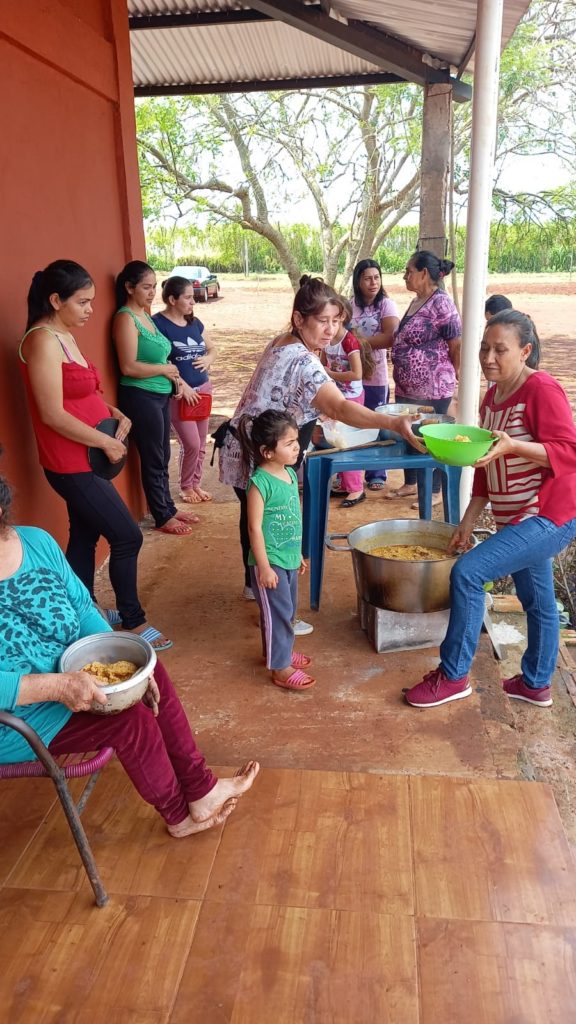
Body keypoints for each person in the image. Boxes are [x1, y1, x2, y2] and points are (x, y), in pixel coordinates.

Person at [0, 471, 260, 837]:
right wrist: (56, 687)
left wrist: (122, 664)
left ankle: (201, 789)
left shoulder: (35, 543)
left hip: (72, 681)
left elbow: (83, 608)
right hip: (18, 720)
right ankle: (178, 817)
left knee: (151, 670)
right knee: (130, 722)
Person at [218, 275, 424, 623]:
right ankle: (276, 610)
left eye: (337, 321)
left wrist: (308, 425)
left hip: (248, 447)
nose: (331, 330)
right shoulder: (305, 360)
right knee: (277, 530)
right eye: (322, 321)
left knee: (254, 520)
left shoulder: (283, 341)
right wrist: (391, 422)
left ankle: (256, 587)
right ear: (299, 319)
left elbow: (287, 397)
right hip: (262, 456)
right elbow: (341, 408)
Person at [404, 310, 576, 709]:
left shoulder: (541, 389)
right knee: (538, 602)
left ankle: (453, 675)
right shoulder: (491, 396)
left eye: (501, 349)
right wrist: (465, 522)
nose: (488, 358)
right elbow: (486, 464)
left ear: (526, 351)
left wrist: (515, 446)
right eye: (484, 348)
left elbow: (568, 451)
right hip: (514, 517)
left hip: (547, 516)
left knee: (468, 573)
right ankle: (535, 683)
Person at [19, 260, 170, 652]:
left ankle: (82, 613)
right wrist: (104, 441)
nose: (90, 310)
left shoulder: (63, 333)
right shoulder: (41, 340)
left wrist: (113, 413)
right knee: (127, 536)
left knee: (84, 538)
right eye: (83, 302)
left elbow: (83, 393)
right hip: (71, 462)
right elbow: (52, 412)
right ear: (56, 300)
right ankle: (132, 621)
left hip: (89, 455)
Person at [113, 261, 199, 536]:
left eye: (153, 287)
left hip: (160, 394)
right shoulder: (125, 317)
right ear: (129, 287)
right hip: (140, 395)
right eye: (146, 287)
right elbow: (128, 366)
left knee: (163, 455)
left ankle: (168, 507)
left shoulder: (146, 316)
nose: (152, 293)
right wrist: (164, 369)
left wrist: (172, 378)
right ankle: (161, 514)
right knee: (153, 457)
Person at [238, 410, 314, 691]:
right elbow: (254, 529)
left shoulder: (290, 475)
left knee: (288, 610)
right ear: (267, 452)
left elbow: (294, 516)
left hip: (289, 558)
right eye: (290, 443)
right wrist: (264, 567)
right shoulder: (260, 483)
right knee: (278, 612)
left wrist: (298, 556)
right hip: (269, 562)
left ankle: (278, 651)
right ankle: (281, 668)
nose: (298, 446)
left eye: (296, 440)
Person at [387, 250, 462, 507]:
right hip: (408, 386)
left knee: (431, 436)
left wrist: (457, 374)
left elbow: (455, 344)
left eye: (409, 271)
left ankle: (434, 490)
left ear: (424, 273)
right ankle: (411, 484)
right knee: (409, 433)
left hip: (433, 386)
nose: (405, 276)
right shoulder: (418, 300)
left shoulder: (441, 302)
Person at [153, 276, 216, 504]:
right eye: (188, 297)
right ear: (172, 299)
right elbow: (160, 361)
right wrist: (183, 386)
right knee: (191, 444)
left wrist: (209, 358)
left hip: (203, 389)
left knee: (201, 443)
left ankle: (195, 484)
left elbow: (212, 348)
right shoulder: (158, 325)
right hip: (180, 394)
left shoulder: (194, 322)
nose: (193, 302)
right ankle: (185, 486)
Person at [350, 259, 399, 490]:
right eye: (368, 278)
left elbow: (390, 337)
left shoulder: (386, 305)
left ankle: (376, 473)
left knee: (377, 422)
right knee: (353, 423)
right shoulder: (350, 306)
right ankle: (351, 474)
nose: (373, 283)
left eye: (377, 277)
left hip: (376, 376)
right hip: (352, 376)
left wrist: (357, 342)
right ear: (358, 281)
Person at [321, 298, 372, 508]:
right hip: (338, 395)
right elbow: (323, 361)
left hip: (351, 396)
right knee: (337, 439)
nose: (329, 326)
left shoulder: (349, 342)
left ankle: (356, 488)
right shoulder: (329, 339)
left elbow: (357, 373)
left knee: (347, 442)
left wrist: (330, 374)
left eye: (334, 319)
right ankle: (345, 482)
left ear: (342, 317)